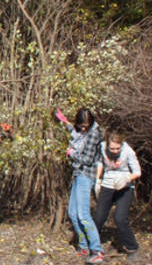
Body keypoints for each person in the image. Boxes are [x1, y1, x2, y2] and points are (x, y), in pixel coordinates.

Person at [56, 107, 104, 264]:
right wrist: (64, 122)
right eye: (81, 125)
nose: (83, 128)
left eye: (86, 125)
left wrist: (72, 154)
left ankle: (97, 250)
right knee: (73, 213)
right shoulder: (83, 132)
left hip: (86, 175)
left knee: (83, 215)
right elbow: (76, 134)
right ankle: (84, 247)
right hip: (78, 174)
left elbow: (88, 159)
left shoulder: (95, 133)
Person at [92, 131, 141, 258]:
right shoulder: (101, 147)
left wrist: (127, 179)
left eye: (117, 148)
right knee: (99, 217)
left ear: (122, 144)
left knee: (120, 218)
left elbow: (137, 172)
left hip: (124, 186)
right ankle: (92, 245)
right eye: (112, 148)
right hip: (107, 185)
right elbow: (100, 163)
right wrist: (98, 180)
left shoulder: (128, 151)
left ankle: (132, 248)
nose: (114, 151)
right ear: (107, 145)